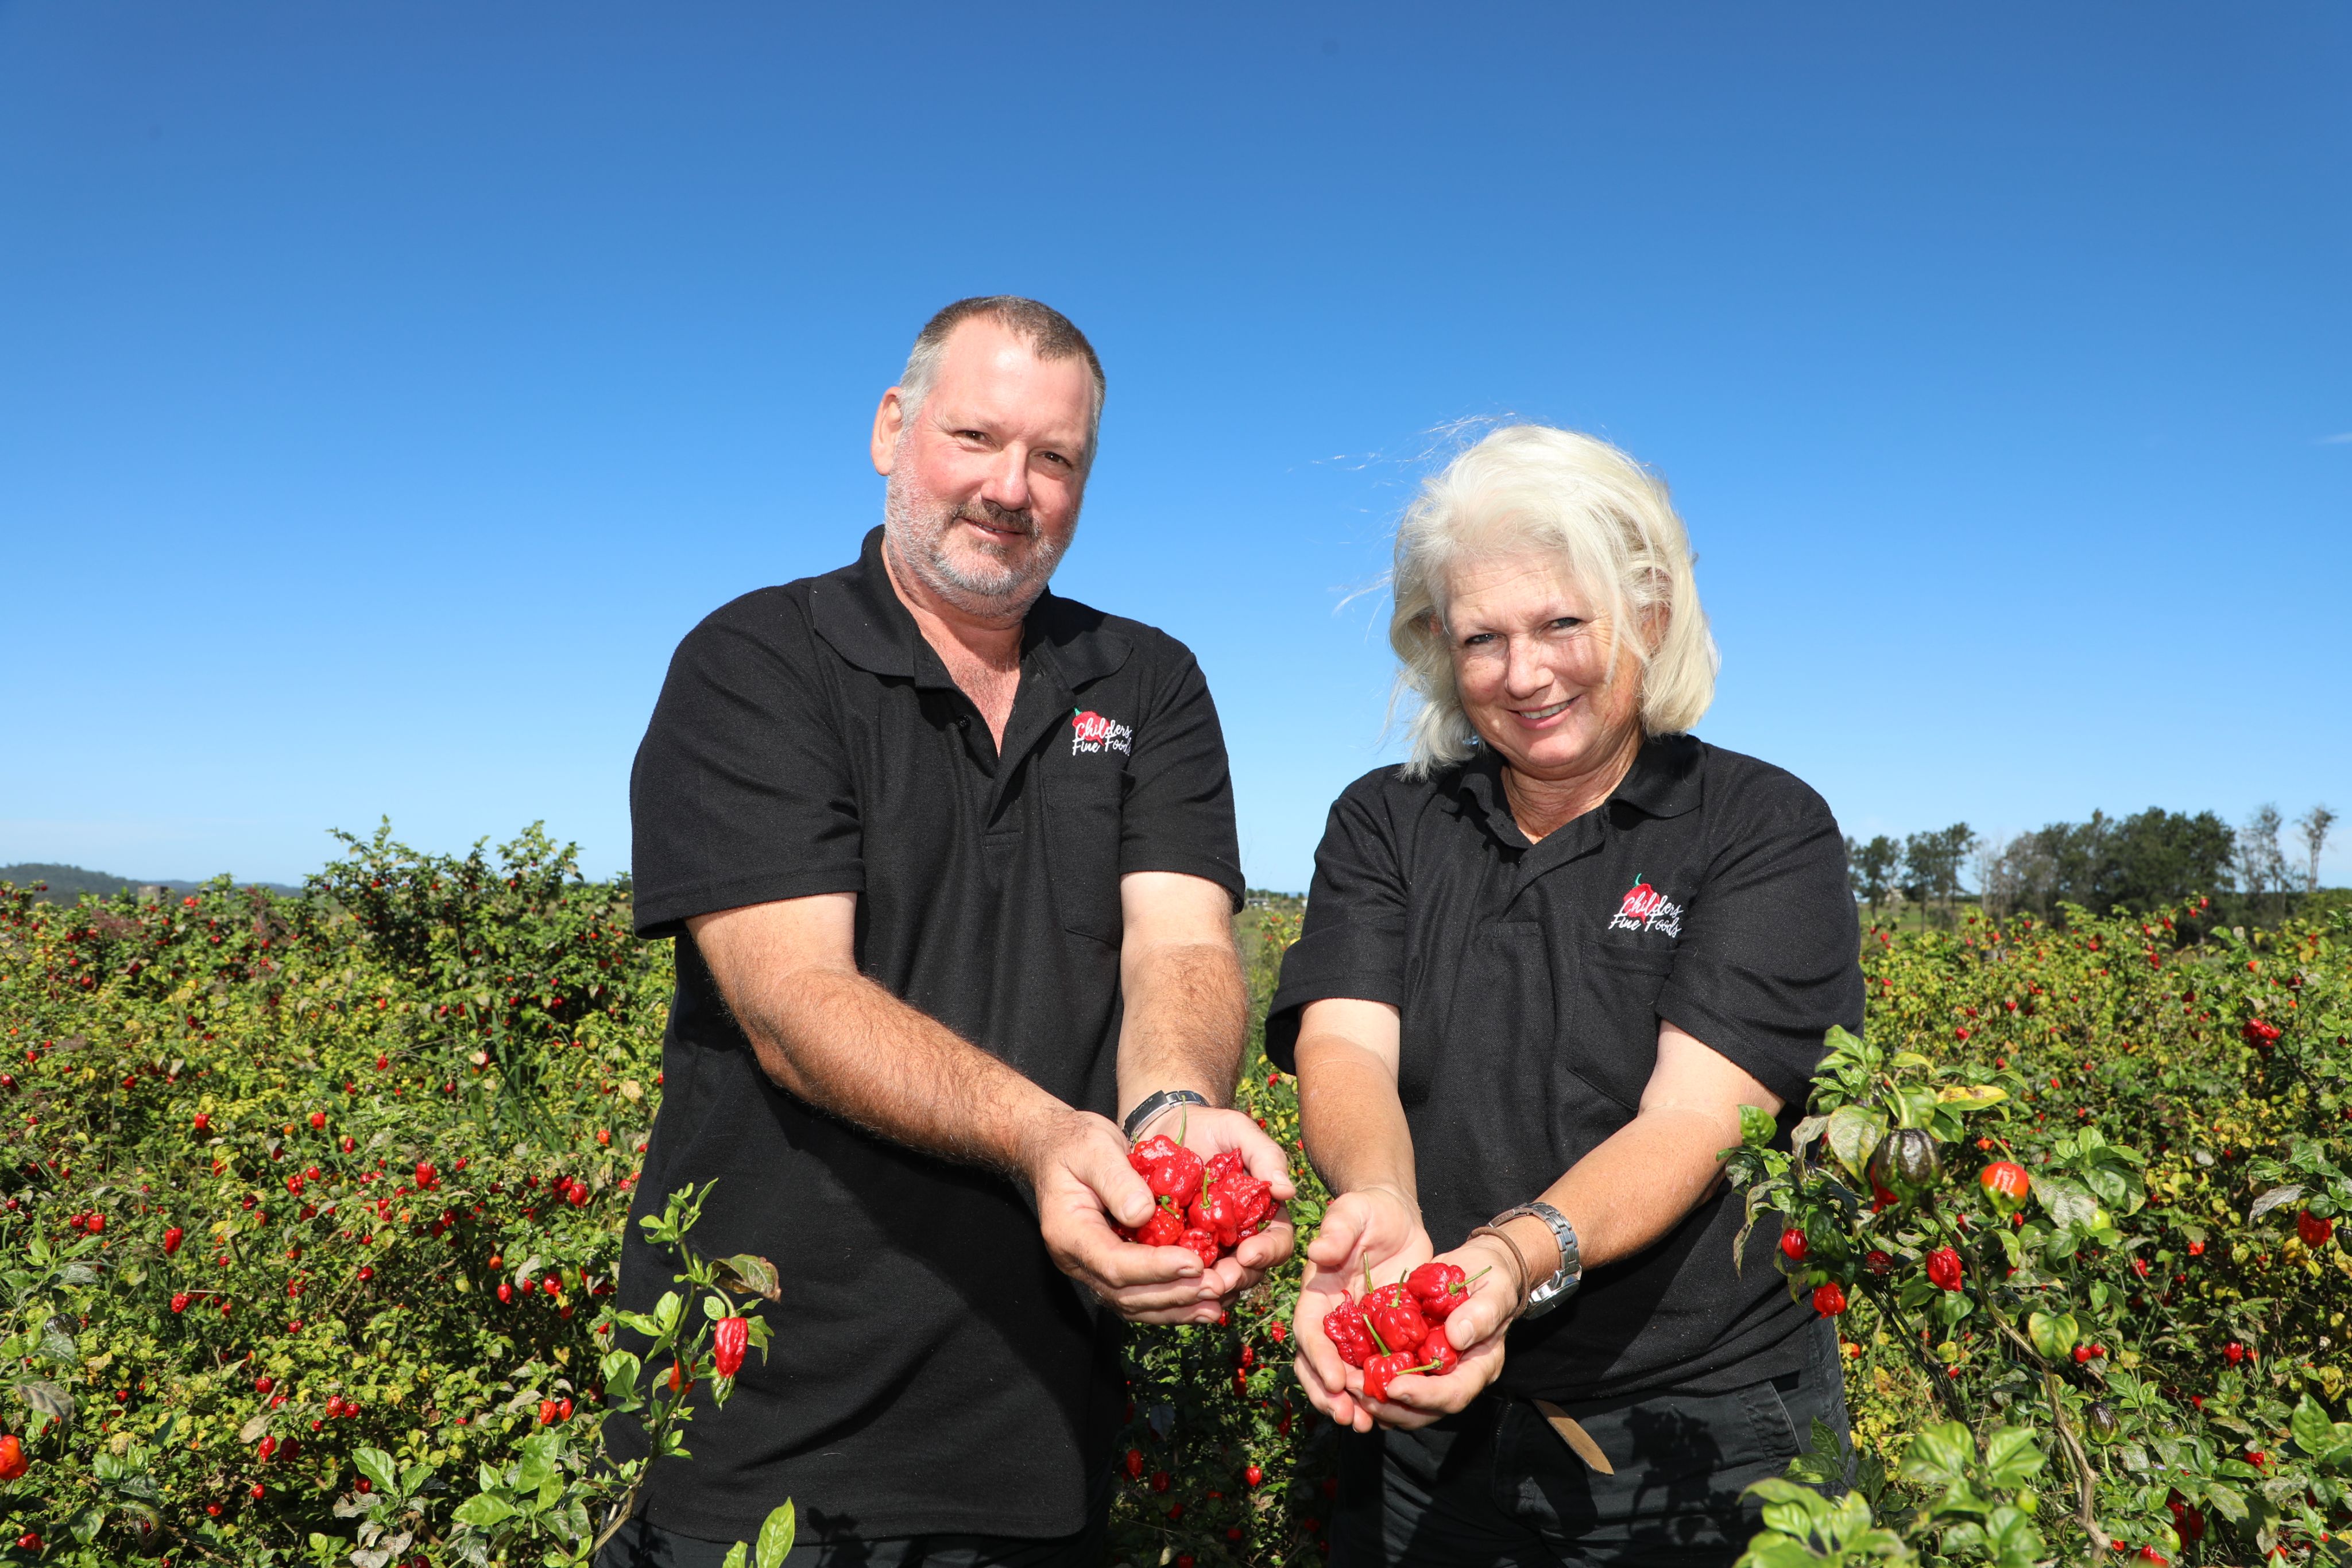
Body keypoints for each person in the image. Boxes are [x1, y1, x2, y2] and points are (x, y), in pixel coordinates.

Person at [604, 297, 1295, 1567]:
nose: (1010, 489)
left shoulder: (1145, 681)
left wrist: (1171, 1119)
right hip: (755, 1420)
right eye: (974, 438)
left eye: (1054, 458)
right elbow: (791, 1001)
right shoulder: (758, 661)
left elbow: (1181, 945)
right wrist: (1041, 1136)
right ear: (890, 428)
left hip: (1037, 1422)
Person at [1271, 425, 1864, 1566]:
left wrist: (1506, 1257)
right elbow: (1342, 1047)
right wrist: (1385, 1211)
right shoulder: (1386, 821)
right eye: (1480, 637)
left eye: (1560, 622)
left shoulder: (1757, 827)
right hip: (1427, 1412)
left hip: (1695, 1432)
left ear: (1647, 611)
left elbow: (1696, 1116)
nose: (1524, 672)